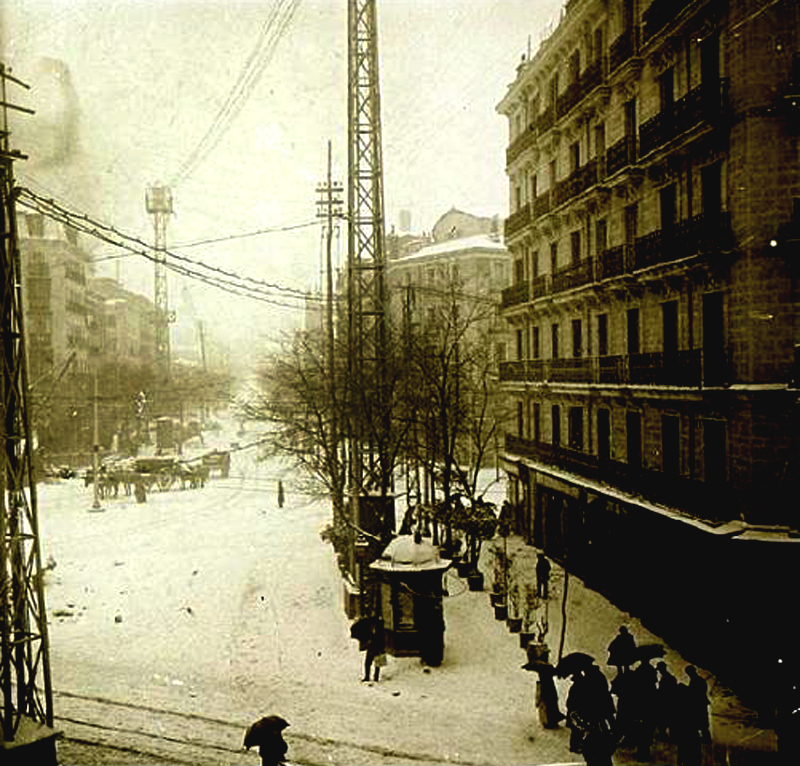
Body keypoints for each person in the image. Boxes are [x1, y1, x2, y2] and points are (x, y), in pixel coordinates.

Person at [685, 665, 711, 742]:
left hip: (698, 703)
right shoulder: (700, 680)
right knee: (701, 720)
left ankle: (705, 737)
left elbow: (694, 693)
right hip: (701, 703)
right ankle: (705, 736)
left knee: (699, 720)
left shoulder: (695, 681)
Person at [655, 661, 678, 742]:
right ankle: (673, 736)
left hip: (666, 702)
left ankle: (664, 735)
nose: (659, 671)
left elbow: (663, 691)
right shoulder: (670, 677)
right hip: (670, 701)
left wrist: (657, 693)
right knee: (670, 720)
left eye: (660, 669)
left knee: (662, 720)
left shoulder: (666, 678)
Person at [363, 615, 386, 682]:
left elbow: (382, 639)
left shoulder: (380, 629)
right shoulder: (372, 628)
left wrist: (382, 648)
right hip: (372, 647)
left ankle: (375, 677)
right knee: (368, 662)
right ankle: (367, 677)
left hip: (377, 647)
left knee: (377, 662)